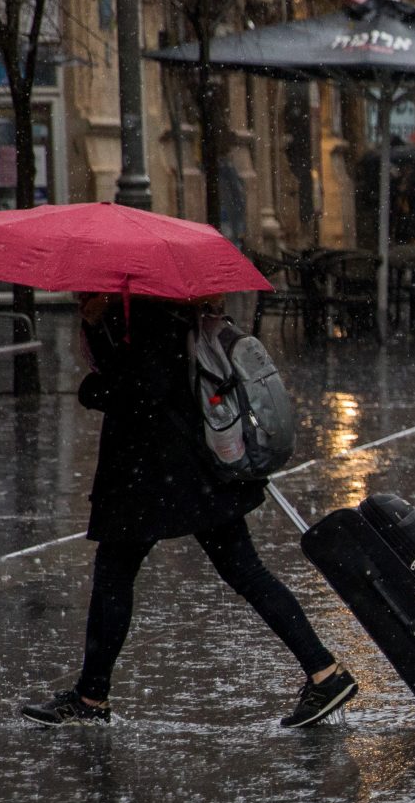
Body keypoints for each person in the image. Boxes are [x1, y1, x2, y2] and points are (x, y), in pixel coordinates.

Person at [20, 295, 356, 728]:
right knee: (237, 572)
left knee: (119, 577)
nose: (79, 297)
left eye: (87, 290)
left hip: (159, 473)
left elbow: (148, 388)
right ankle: (324, 671)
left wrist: (93, 389)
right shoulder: (147, 312)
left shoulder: (148, 313)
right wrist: (98, 328)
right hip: (182, 471)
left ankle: (91, 697)